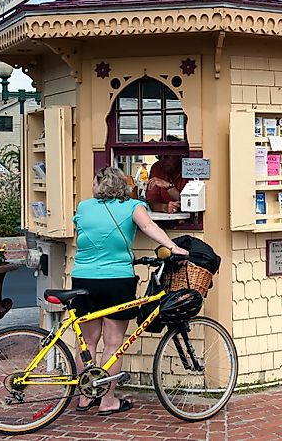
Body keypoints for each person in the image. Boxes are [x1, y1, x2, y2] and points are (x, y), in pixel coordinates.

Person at [72, 166, 189, 415]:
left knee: (87, 343)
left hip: (83, 278)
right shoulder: (133, 206)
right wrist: (172, 246)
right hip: (116, 280)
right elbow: (148, 227)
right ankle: (108, 401)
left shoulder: (84, 206)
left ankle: (85, 397)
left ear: (100, 185)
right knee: (112, 344)